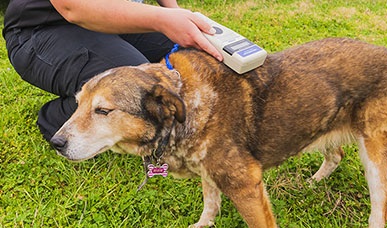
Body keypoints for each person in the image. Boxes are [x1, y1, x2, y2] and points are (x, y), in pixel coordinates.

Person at [2, 0, 222, 142]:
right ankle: (57, 116)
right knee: (131, 80)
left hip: (110, 15)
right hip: (43, 28)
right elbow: (72, 7)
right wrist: (162, 20)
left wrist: (177, 15)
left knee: (187, 51)